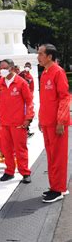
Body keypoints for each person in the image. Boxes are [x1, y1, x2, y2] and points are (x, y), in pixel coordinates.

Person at [37, 44, 70, 203]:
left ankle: (58, 189)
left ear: (49, 56)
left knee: (57, 157)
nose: (38, 57)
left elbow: (65, 97)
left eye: (41, 54)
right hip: (47, 121)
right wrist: (41, 118)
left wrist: (61, 121)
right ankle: (56, 186)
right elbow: (44, 99)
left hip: (57, 122)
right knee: (51, 156)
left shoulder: (58, 72)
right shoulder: (45, 73)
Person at [0, 59, 34, 183]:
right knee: (6, 149)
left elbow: (29, 101)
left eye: (4, 68)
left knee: (20, 148)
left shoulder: (21, 83)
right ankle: (9, 171)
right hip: (4, 122)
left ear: (11, 68)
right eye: (0, 68)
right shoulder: (0, 83)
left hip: (18, 123)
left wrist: (28, 118)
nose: (1, 70)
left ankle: (25, 172)